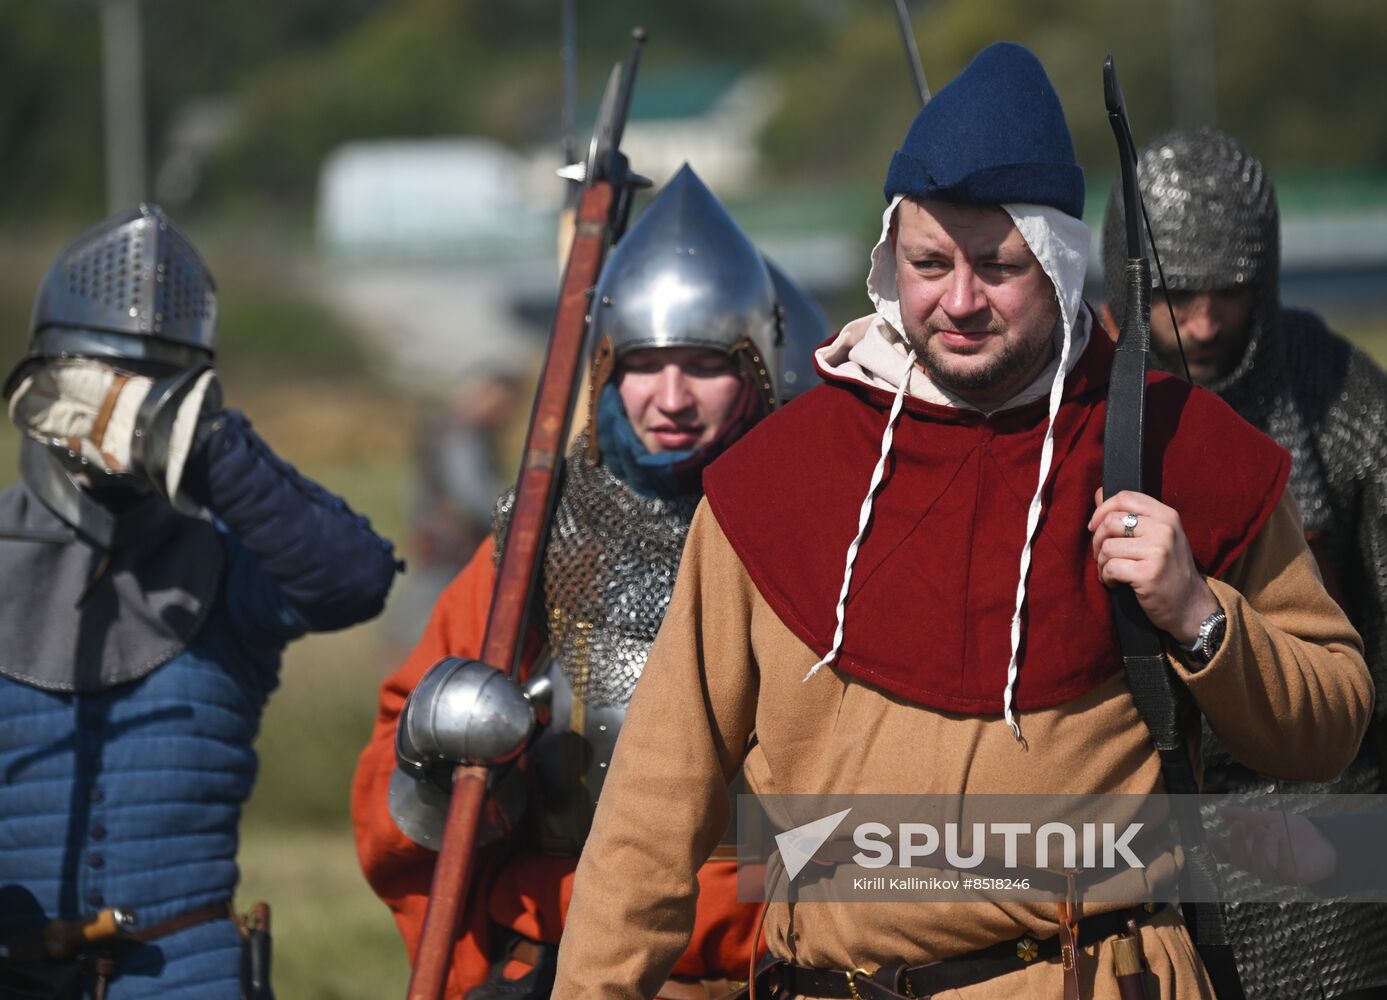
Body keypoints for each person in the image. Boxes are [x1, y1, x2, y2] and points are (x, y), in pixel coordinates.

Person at [548, 44, 1373, 1000]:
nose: (958, 301)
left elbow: (1326, 729)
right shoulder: (779, 479)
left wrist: (1198, 613)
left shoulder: (1178, 450)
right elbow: (655, 800)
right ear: (889, 260)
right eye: (928, 263)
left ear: (1058, 265)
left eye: (996, 265)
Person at [352, 164, 811, 999]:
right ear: (605, 372)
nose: (669, 397)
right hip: (570, 958)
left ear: (756, 368)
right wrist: (437, 750)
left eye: (702, 365)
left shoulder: (813, 532)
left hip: (771, 965)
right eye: (644, 365)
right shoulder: (541, 539)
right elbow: (399, 762)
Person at [0, 204, 399, 998]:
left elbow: (353, 578)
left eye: (151, 392)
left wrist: (205, 446)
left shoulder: (224, 566)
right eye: (100, 385)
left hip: (189, 978)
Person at [1102, 126, 1387, 1000]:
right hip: (1133, 825)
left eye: (1225, 292)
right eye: (1178, 294)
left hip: (1318, 821)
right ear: (1130, 277)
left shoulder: (1332, 389)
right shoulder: (1075, 392)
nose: (1204, 321)